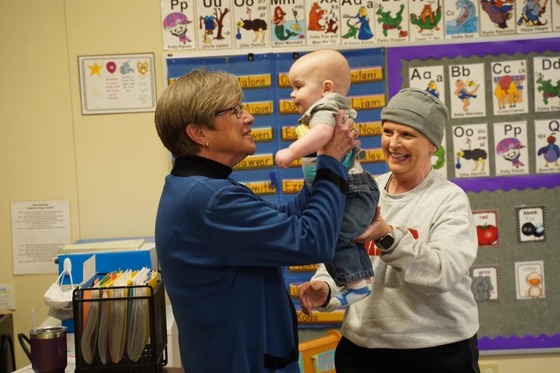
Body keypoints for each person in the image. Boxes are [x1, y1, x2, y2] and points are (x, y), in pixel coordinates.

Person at [154, 68, 358, 373]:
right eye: (235, 111)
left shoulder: (200, 187)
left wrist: (317, 171)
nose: (248, 118)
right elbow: (312, 241)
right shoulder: (212, 199)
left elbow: (281, 222)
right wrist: (330, 164)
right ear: (199, 133)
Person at [299, 88, 481, 373]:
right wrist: (326, 287)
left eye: (407, 135)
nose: (394, 143)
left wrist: (386, 236)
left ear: (433, 144)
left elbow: (442, 272)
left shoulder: (449, 199)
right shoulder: (365, 189)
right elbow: (344, 251)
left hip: (437, 351)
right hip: (363, 349)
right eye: (387, 132)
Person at [275, 49, 379, 310]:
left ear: (326, 88)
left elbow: (322, 134)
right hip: (355, 184)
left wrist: (292, 151)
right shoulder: (335, 106)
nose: (292, 94)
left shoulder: (325, 106)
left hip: (351, 186)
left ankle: (355, 286)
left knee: (332, 238)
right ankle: (362, 278)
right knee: (346, 237)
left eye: (298, 86)